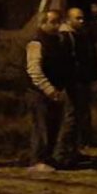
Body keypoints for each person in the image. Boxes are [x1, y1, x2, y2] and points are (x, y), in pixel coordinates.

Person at [25, 10, 74, 173]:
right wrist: (48, 89)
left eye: (58, 22)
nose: (57, 26)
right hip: (40, 92)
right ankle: (37, 160)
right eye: (52, 22)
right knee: (41, 127)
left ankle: (48, 157)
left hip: (56, 90)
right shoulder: (37, 43)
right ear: (43, 23)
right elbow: (34, 70)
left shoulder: (57, 42)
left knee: (53, 125)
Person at [60, 7, 97, 155]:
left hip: (82, 81)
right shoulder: (65, 37)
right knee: (70, 117)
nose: (81, 21)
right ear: (68, 19)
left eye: (82, 18)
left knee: (79, 117)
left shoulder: (82, 36)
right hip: (73, 83)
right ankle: (64, 151)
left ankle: (75, 148)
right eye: (78, 18)